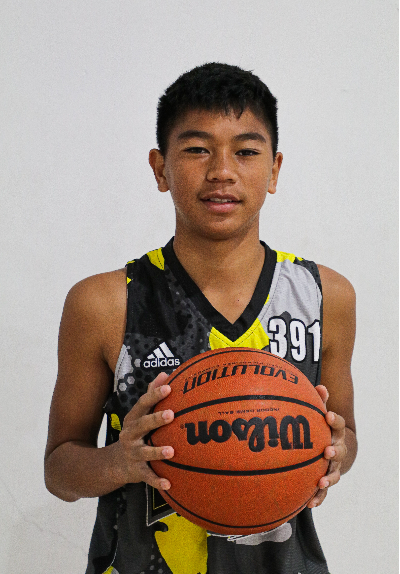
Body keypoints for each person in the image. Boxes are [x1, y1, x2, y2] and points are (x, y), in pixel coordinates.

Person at [44, 63, 357, 574]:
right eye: (196, 149)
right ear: (160, 168)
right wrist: (118, 461)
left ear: (274, 170)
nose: (222, 171)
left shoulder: (324, 296)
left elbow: (347, 436)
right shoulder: (105, 303)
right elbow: (59, 469)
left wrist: (336, 450)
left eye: (246, 151)